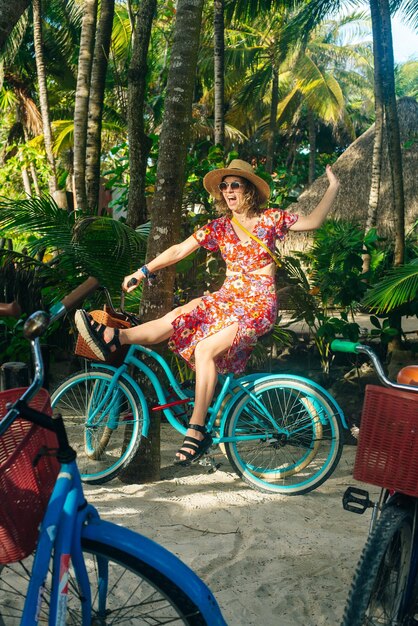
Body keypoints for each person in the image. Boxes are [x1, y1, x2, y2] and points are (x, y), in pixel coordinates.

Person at [75, 159, 340, 466]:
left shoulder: (271, 219)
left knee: (204, 350)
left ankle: (197, 430)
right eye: (224, 186)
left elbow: (313, 221)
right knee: (177, 315)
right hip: (228, 298)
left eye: (235, 185)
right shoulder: (219, 227)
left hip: (258, 305)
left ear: (249, 190)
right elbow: (178, 250)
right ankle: (114, 336)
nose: (228, 190)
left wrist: (333, 186)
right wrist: (142, 271)